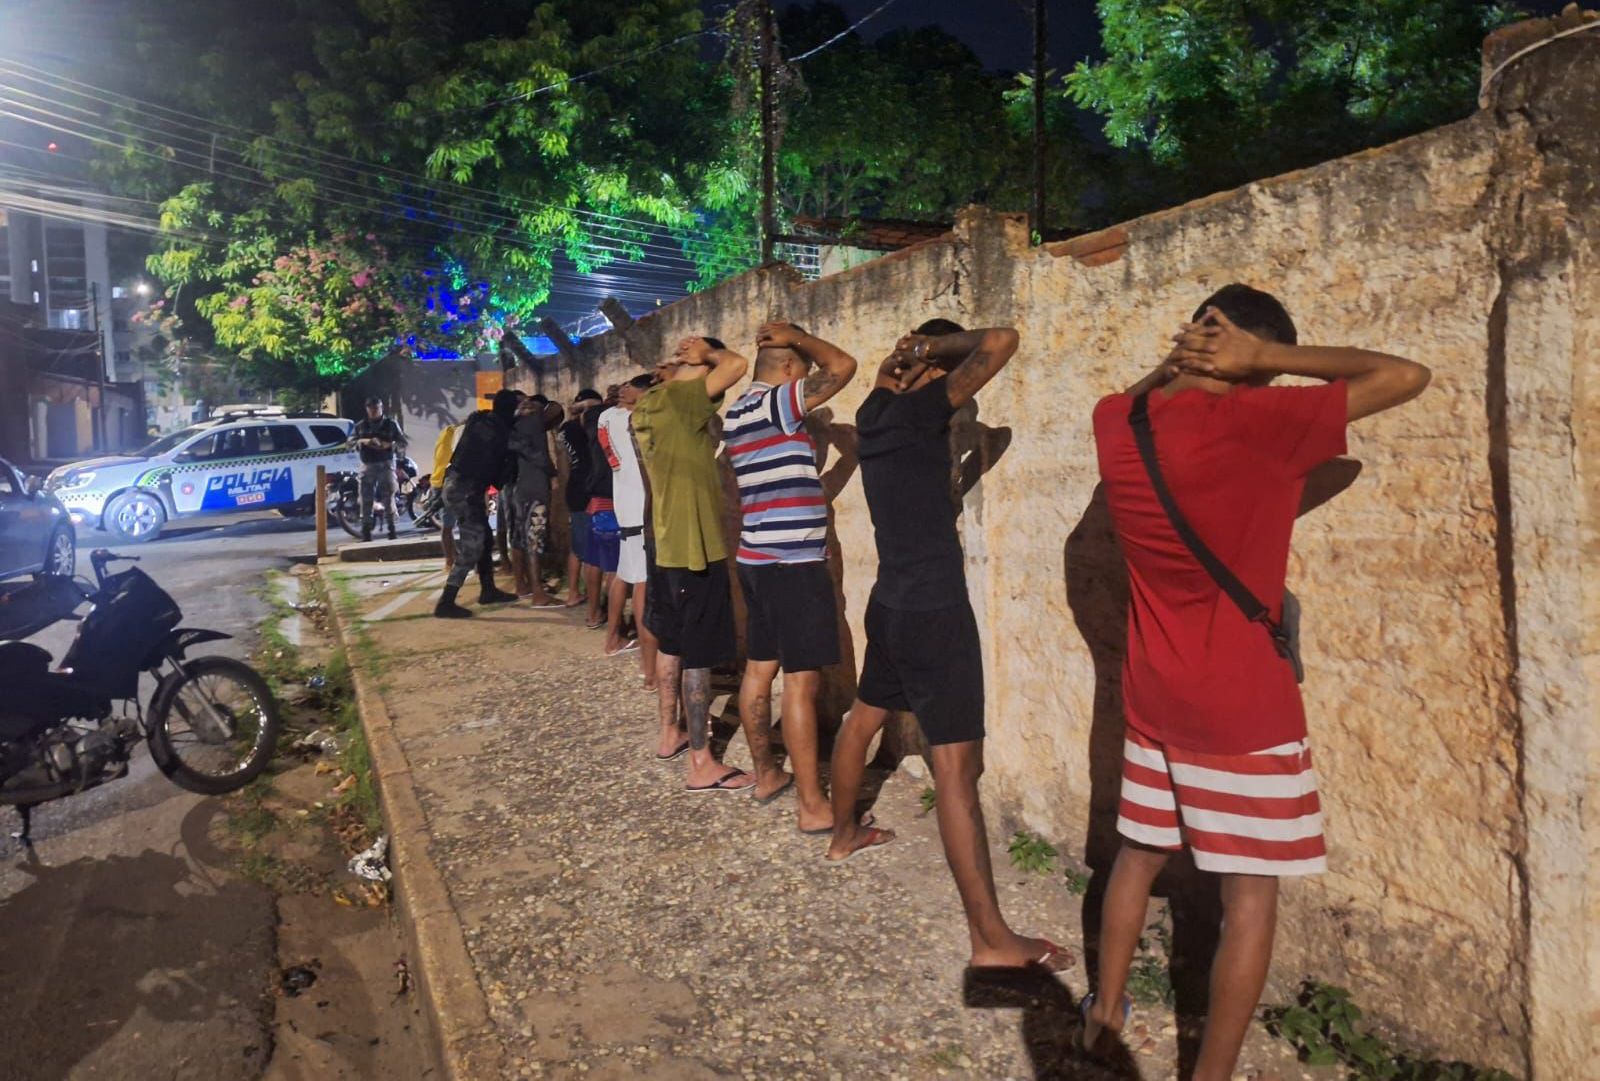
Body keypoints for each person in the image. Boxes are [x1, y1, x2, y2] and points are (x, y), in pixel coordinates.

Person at [1083, 285, 1430, 1078]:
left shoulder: (1116, 422)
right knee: (1249, 902)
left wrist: (1176, 361)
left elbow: (1139, 399)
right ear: (1250, 364)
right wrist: (1265, 359)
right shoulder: (1261, 426)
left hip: (1153, 692)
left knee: (1137, 855)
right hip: (1243, 709)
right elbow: (1405, 374)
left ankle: (1103, 1013)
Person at [825, 318, 1069, 974]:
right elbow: (1004, 341)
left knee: (863, 718)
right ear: (931, 372)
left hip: (890, 603)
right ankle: (991, 938)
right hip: (934, 608)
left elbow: (891, 378)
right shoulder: (917, 411)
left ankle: (844, 834)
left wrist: (903, 358)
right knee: (958, 774)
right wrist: (933, 350)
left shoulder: (874, 410)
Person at [723, 321, 857, 821]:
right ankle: (811, 804)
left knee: (760, 668)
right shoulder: (774, 404)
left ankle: (767, 775)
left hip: (756, 557)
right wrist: (799, 335)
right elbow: (842, 366)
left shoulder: (736, 412)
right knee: (802, 682)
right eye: (802, 370)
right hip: (794, 562)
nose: (810, 379)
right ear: (787, 370)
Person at [632, 336, 756, 791]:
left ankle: (670, 733)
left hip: (665, 543)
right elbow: (738, 363)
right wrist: (707, 351)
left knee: (672, 644)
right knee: (699, 655)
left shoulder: (649, 404)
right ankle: (702, 763)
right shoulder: (684, 399)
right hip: (694, 546)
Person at [433, 389, 522, 619]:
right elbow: (499, 478)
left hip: (455, 485)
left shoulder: (480, 418)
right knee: (472, 545)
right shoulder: (502, 434)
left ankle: (488, 589)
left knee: (485, 537)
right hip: (466, 492)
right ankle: (446, 601)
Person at [599, 375, 657, 666]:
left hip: (623, 504)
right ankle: (650, 667)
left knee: (623, 574)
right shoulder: (638, 419)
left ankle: (612, 636)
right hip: (642, 508)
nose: (623, 389)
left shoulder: (606, 417)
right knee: (644, 584)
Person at [507, 393, 564, 607]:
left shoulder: (515, 428)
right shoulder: (534, 424)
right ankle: (539, 593)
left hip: (521, 488)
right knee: (535, 540)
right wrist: (553, 474)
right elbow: (541, 455)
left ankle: (526, 586)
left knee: (523, 538)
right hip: (536, 487)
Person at [581, 385, 623, 630]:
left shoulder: (593, 420)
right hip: (614, 501)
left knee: (595, 561)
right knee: (615, 567)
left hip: (596, 501)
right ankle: (616, 628)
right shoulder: (618, 421)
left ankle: (593, 613)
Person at [557, 389, 602, 609]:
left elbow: (563, 464)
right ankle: (588, 596)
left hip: (573, 487)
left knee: (577, 546)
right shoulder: (585, 428)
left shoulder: (563, 430)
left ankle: (574, 591)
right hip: (588, 487)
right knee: (590, 546)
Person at [352, 395, 406, 542]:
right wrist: (365, 441)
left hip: (386, 463)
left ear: (381, 408)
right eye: (370, 408)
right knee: (365, 497)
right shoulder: (361, 426)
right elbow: (350, 442)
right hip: (367, 464)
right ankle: (366, 531)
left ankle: (391, 529)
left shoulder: (391, 424)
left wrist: (390, 444)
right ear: (367, 409)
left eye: (376, 408)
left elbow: (402, 442)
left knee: (388, 496)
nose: (373, 411)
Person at [430, 421, 461, 571]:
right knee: (454, 525)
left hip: (438, 480)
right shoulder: (458, 435)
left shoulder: (447, 432)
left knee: (447, 526)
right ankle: (450, 561)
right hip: (448, 482)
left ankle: (451, 560)